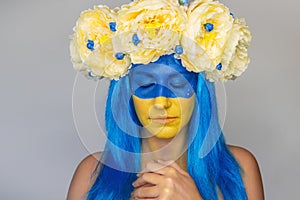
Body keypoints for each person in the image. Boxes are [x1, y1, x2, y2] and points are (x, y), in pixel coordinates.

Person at [67, 0, 264, 199]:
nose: (162, 103)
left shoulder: (240, 169)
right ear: (126, 94)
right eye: (145, 86)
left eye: (178, 85)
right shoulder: (90, 176)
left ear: (199, 91)